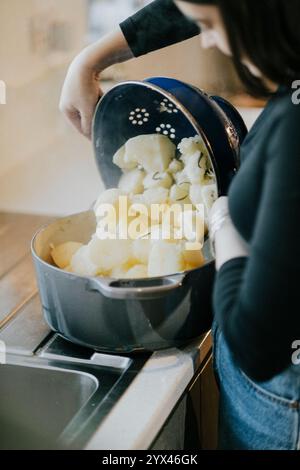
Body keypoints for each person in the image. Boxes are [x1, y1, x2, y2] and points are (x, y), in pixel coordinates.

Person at [59, 0, 300, 450]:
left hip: (283, 408)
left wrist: (225, 225)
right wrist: (91, 58)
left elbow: (259, 343)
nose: (206, 39)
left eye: (208, 25)